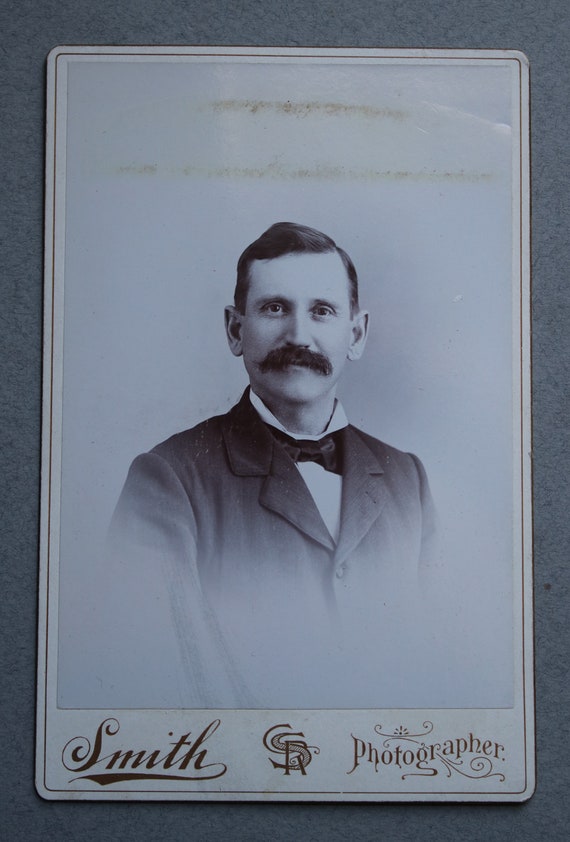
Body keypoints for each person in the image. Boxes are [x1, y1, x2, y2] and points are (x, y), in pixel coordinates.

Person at [106, 222, 438, 709]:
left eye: (322, 310)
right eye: (274, 308)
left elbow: (436, 661)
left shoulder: (408, 477)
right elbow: (151, 672)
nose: (298, 334)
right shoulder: (168, 478)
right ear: (236, 330)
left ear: (357, 334)